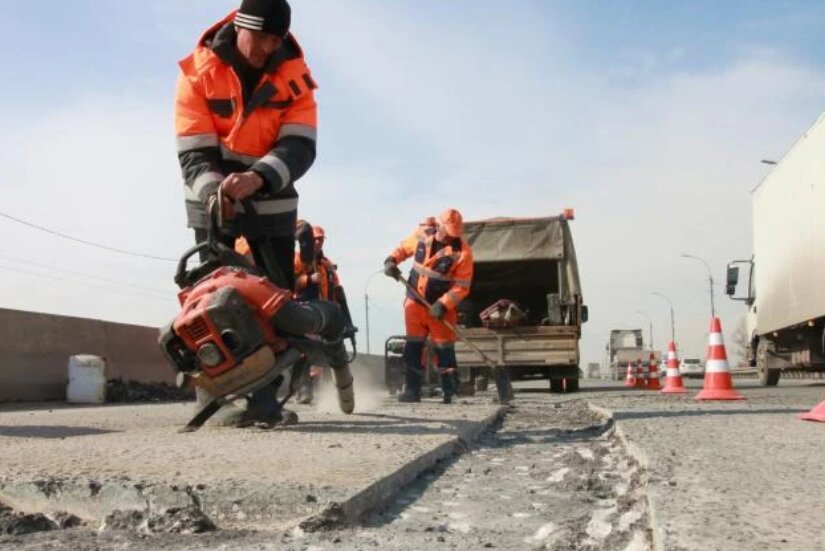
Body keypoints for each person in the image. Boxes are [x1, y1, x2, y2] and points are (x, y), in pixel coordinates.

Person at [175, 0, 317, 290]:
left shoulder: (296, 80)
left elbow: (300, 145)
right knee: (217, 296)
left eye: (275, 40)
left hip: (272, 207)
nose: (268, 47)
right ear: (240, 25)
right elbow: (194, 150)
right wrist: (215, 195)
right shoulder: (197, 73)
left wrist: (258, 177)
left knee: (276, 301)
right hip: (214, 204)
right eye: (261, 36)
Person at [383, 209, 473, 404]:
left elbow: (462, 285)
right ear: (439, 226)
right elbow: (402, 249)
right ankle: (412, 391)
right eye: (449, 232)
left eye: (455, 234)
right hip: (414, 303)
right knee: (413, 348)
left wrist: (443, 304)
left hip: (440, 309)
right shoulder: (421, 236)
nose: (451, 237)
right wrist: (391, 261)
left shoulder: (463, 252)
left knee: (444, 349)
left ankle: (451, 392)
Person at [293, 225, 354, 403]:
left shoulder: (327, 265)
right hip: (303, 309)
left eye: (321, 239)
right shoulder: (297, 260)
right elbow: (287, 283)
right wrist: (307, 280)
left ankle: (334, 393)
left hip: (326, 312)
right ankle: (303, 390)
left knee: (330, 349)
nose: (318, 242)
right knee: (304, 351)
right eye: (315, 239)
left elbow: (338, 291)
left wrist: (346, 321)